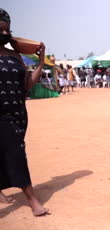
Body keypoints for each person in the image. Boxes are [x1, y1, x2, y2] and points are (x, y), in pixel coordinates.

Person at [0, 8, 49, 216]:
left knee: (6, 151)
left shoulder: (16, 55)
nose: (4, 34)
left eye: (7, 30)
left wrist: (40, 61)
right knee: (17, 152)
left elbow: (28, 84)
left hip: (19, 113)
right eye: (0, 30)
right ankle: (32, 199)